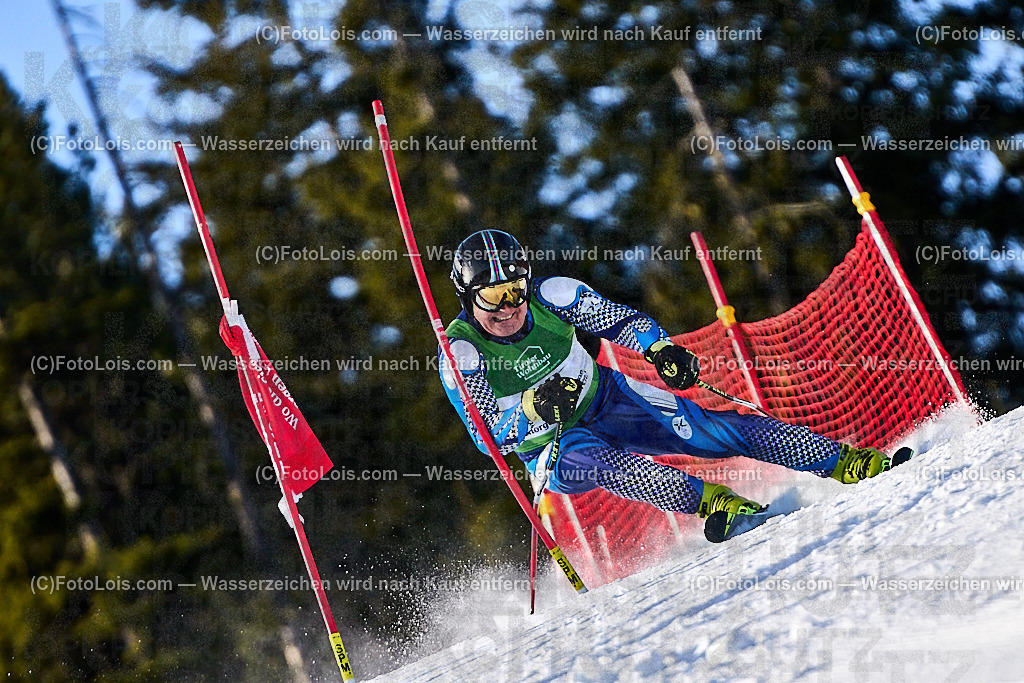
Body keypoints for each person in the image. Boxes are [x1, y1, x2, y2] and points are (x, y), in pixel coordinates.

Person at [439, 230, 898, 539]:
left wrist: (660, 350)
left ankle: (846, 461)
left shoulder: (552, 295)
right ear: (468, 296)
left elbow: (621, 321)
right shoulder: (462, 353)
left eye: (515, 289)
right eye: (493, 296)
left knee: (710, 431)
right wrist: (533, 409)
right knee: (604, 464)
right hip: (551, 445)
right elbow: (487, 438)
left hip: (607, 398)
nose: (508, 306)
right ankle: (716, 504)